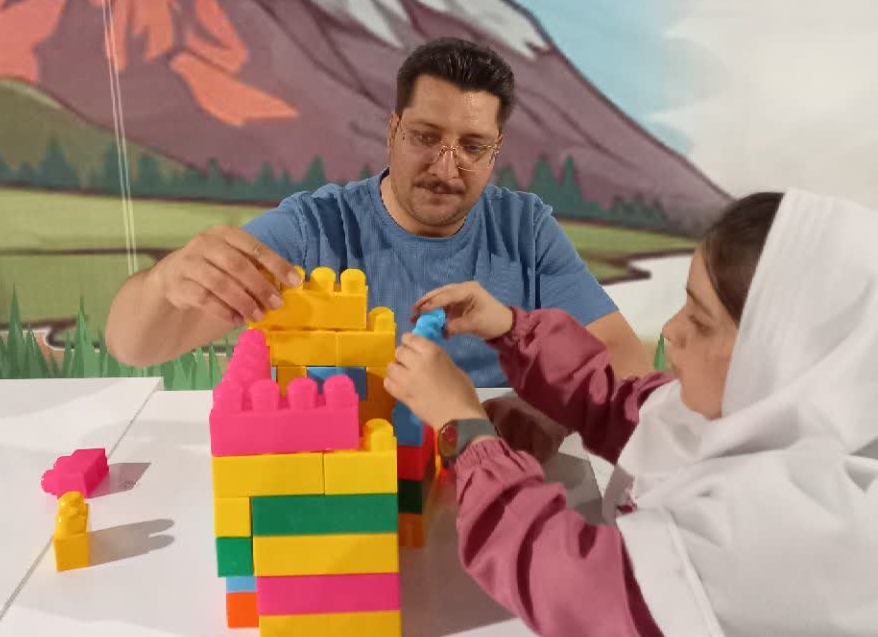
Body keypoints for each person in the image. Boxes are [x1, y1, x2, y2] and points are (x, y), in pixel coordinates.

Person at [384, 190, 878, 637]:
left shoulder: (816, 523)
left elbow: (577, 583)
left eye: (700, 319)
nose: (671, 330)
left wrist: (464, 430)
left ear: (786, 356)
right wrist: (509, 328)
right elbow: (626, 406)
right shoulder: (781, 417)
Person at [105, 37, 649, 384]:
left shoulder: (525, 229)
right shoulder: (313, 230)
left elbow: (622, 355)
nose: (446, 167)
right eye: (425, 136)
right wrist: (165, 283)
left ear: (495, 152)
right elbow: (134, 346)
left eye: (473, 146)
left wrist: (541, 416)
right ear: (393, 132)